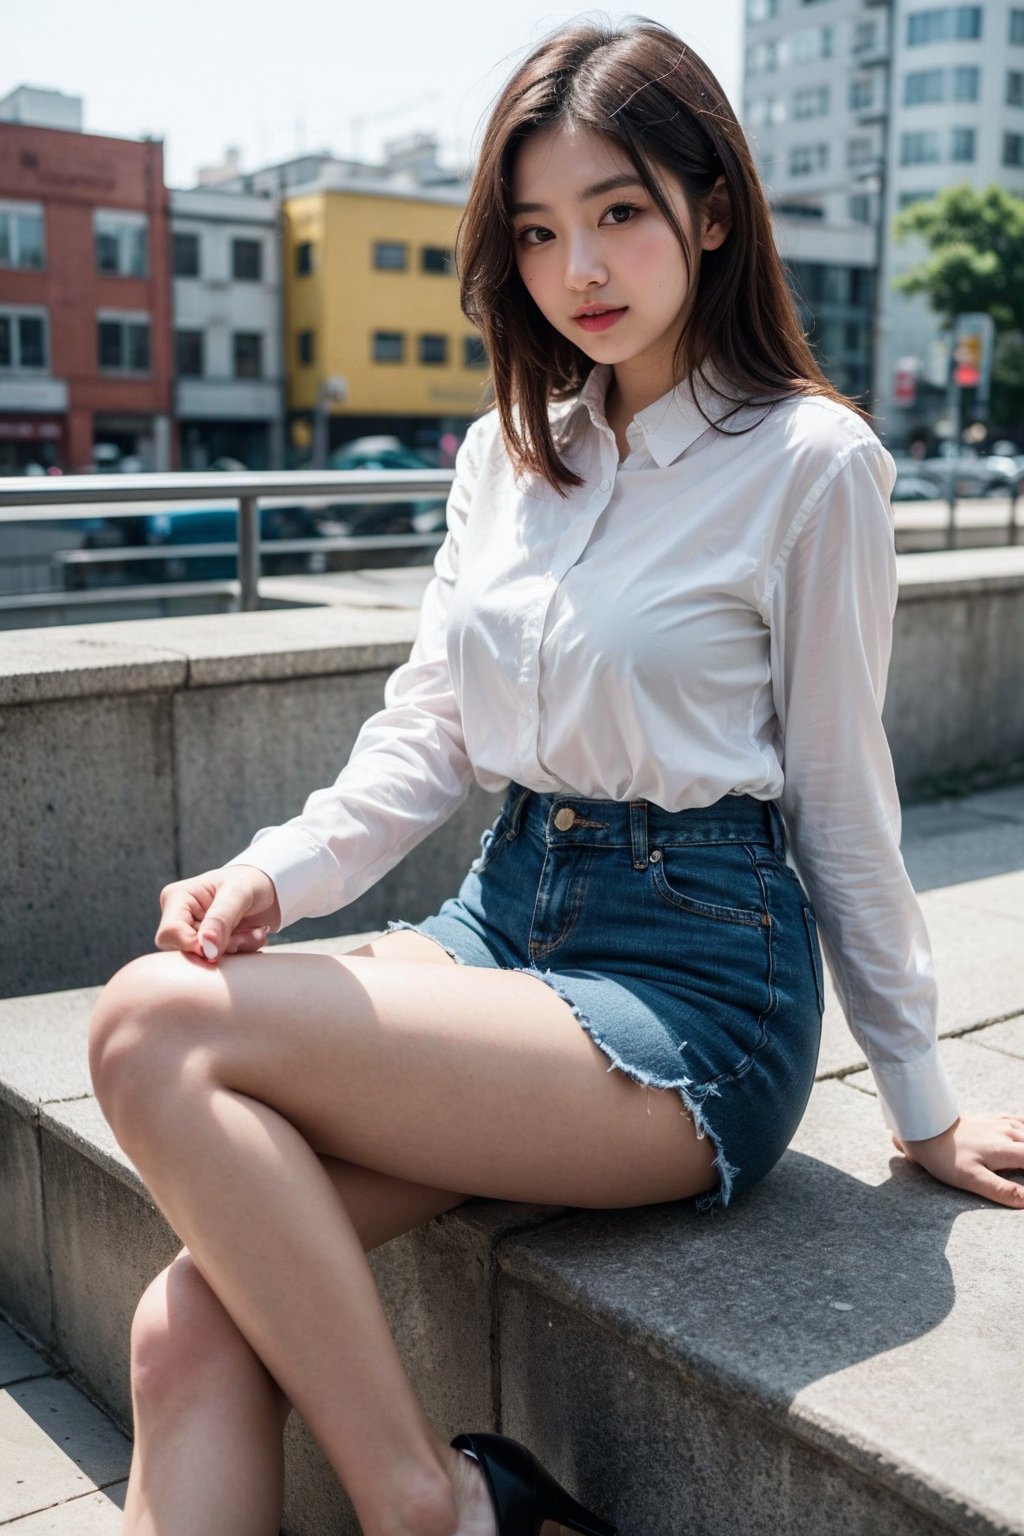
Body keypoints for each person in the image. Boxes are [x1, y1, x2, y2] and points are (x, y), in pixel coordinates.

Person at [88, 19, 1024, 1536]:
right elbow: (430, 733)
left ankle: (431, 1508)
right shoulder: (506, 456)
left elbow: (847, 795)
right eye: (537, 230)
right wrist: (275, 872)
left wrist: (918, 1102)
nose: (577, 266)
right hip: (500, 924)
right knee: (184, 1328)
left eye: (619, 212)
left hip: (697, 983)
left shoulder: (810, 463)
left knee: (146, 1018)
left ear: (712, 213)